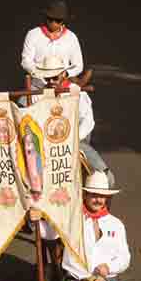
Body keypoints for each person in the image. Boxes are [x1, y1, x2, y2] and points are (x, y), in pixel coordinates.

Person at [29, 55, 114, 185]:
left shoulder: (78, 93)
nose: (51, 81)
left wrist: (72, 139)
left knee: (107, 179)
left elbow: (88, 121)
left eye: (55, 77)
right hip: (46, 143)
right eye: (47, 78)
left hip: (75, 142)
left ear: (63, 74)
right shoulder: (39, 95)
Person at [20, 0, 84, 79]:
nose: (53, 23)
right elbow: (26, 61)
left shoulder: (71, 37)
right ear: (46, 18)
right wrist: (39, 74)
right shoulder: (33, 34)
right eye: (50, 19)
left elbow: (78, 65)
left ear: (63, 21)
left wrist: (66, 74)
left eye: (58, 20)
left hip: (61, 86)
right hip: (38, 86)